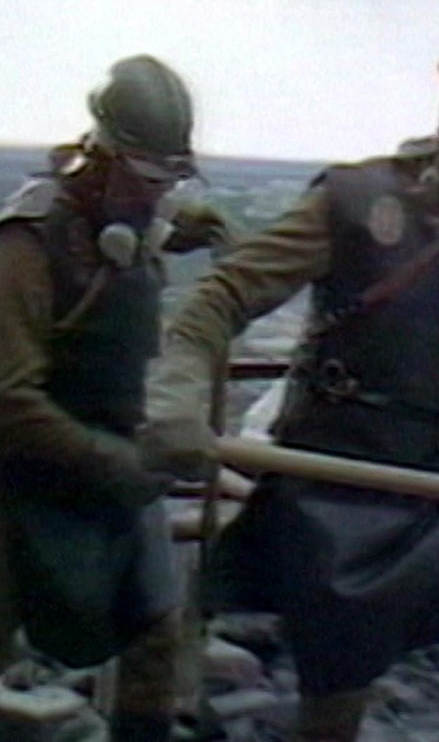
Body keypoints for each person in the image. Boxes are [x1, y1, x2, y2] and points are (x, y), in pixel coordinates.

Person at [142, 13, 439, 742]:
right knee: (338, 691)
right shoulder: (355, 203)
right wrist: (178, 399)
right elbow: (220, 299)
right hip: (332, 489)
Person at [0, 54, 226, 742]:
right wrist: (113, 462)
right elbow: (8, 401)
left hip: (111, 473)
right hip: (21, 483)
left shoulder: (125, 228)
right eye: (150, 178)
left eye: (173, 179)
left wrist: (183, 231)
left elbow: (118, 247)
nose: (160, 197)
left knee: (155, 633)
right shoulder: (25, 245)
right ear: (102, 156)